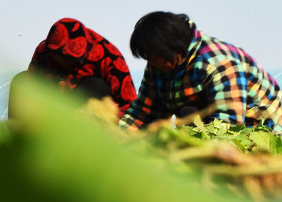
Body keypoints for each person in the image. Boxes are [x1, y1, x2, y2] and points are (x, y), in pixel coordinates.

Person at [119, 11, 282, 131]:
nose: (150, 63)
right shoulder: (159, 65)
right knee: (187, 114)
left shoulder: (217, 63)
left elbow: (228, 124)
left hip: (261, 129)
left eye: (153, 56)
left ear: (175, 52)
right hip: (212, 123)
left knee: (188, 114)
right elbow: (142, 115)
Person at [10, 18, 137, 117]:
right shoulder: (44, 51)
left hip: (89, 111)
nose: (60, 61)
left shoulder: (109, 56)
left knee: (94, 85)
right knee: (20, 80)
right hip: (52, 106)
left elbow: (128, 103)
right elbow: (31, 84)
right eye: (56, 55)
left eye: (67, 58)